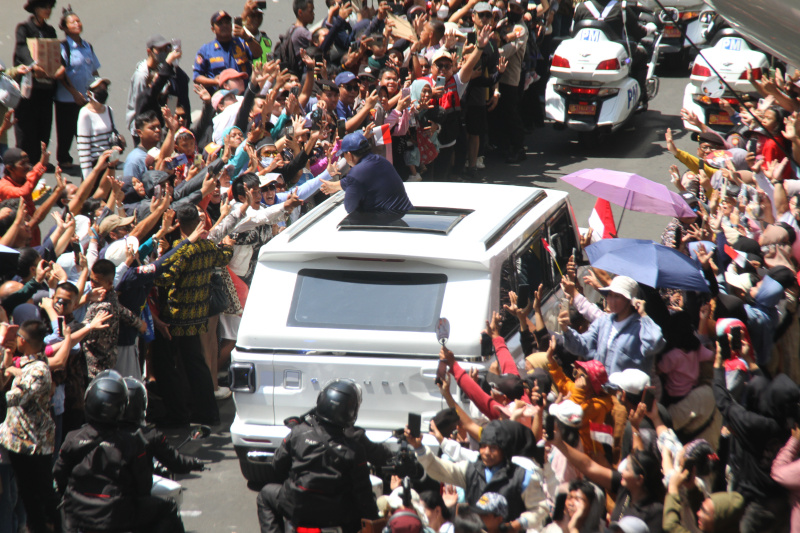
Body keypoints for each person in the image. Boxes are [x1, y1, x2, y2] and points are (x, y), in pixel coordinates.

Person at [54, 371, 182, 533]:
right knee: (168, 508)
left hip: (77, 516)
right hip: (115, 517)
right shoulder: (132, 442)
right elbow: (143, 486)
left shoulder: (72, 438)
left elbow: (59, 476)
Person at [256, 379, 379, 533]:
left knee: (265, 494)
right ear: (351, 412)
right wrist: (375, 521)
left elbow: (278, 466)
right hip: (338, 516)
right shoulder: (354, 448)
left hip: (296, 507)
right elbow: (364, 495)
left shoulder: (298, 432)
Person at [153, 204, 234, 425]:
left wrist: (160, 257)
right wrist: (228, 245)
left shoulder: (182, 249)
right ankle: (208, 413)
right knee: (195, 364)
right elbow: (224, 256)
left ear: (178, 224)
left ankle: (178, 414)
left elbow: (161, 279)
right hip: (198, 315)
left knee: (167, 366)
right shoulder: (207, 246)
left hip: (175, 318)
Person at [407, 419, 549, 527]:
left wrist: (517, 524)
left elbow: (540, 509)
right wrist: (419, 448)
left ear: (504, 449)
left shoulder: (523, 477)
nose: (486, 452)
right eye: (483, 446)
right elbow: (440, 470)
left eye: (493, 448)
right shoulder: (470, 470)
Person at [0, 320, 61, 533]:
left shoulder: (38, 370)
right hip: (17, 443)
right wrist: (6, 361)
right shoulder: (30, 363)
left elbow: (14, 397)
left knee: (40, 496)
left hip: (33, 445)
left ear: (23, 341)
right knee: (24, 496)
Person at [560, 275, 665, 378]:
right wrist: (566, 329)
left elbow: (654, 343)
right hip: (603, 390)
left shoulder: (640, 326)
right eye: (610, 295)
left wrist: (644, 315)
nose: (611, 300)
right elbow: (583, 346)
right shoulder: (603, 322)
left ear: (629, 300)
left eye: (617, 296)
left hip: (628, 393)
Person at [54, 5, 100, 170]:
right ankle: (64, 160)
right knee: (66, 130)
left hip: (86, 97)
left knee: (87, 129)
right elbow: (61, 73)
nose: (77, 24)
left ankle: (89, 158)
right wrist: (74, 93)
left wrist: (97, 89)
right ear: (65, 28)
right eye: (72, 22)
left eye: (78, 21)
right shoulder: (64, 47)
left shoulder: (87, 46)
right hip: (67, 98)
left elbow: (94, 69)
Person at [14, 0, 58, 165]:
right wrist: (33, 66)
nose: (48, 10)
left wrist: (57, 68)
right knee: (26, 125)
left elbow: (54, 52)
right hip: (29, 87)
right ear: (35, 9)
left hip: (46, 87)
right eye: (44, 6)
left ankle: (41, 160)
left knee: (44, 123)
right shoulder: (24, 29)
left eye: (49, 7)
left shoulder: (50, 30)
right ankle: (26, 161)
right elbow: (21, 49)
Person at [331, 131, 414, 214]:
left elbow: (350, 208)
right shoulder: (381, 160)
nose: (344, 158)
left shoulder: (356, 172)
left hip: (384, 223)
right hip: (404, 217)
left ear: (349, 155)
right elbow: (357, 181)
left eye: (343, 155)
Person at [193, 11, 257, 91]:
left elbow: (258, 53)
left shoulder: (242, 43)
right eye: (220, 23)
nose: (225, 26)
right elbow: (197, 77)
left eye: (227, 22)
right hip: (218, 97)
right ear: (213, 29)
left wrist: (247, 37)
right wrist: (214, 82)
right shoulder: (206, 50)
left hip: (242, 96)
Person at [76, 77, 119, 178]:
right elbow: (83, 148)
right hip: (94, 168)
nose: (103, 92)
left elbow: (113, 133)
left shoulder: (109, 110)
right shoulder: (85, 114)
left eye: (104, 89)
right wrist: (88, 176)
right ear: (89, 93)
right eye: (99, 89)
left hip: (108, 166)